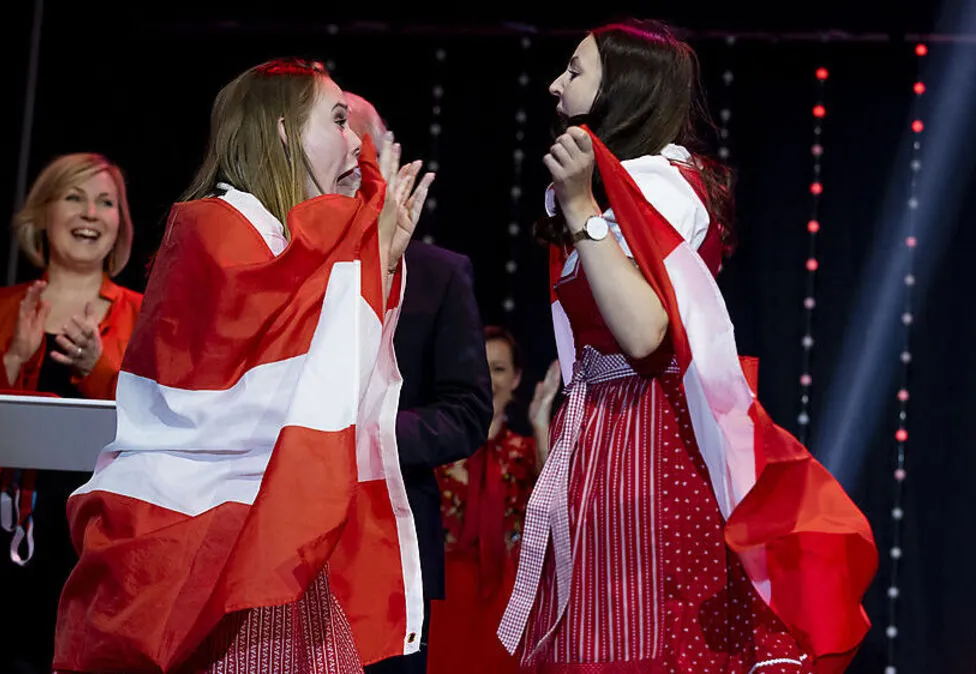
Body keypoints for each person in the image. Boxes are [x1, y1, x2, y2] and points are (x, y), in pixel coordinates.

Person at [498, 20, 877, 674]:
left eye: (576, 71)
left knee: (644, 639)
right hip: (601, 438)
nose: (556, 86)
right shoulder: (612, 189)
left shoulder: (662, 184)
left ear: (627, 89)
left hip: (649, 444)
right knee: (592, 638)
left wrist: (583, 205)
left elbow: (647, 335)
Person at [52, 58, 435, 674]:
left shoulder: (293, 239)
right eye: (338, 120)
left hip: (272, 538)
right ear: (283, 131)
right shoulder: (212, 224)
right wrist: (365, 240)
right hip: (202, 542)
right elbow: (270, 354)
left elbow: (325, 366)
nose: (355, 142)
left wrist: (379, 256)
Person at [0, 153, 142, 673]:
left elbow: (166, 424)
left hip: (97, 543)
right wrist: (13, 360)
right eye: (73, 198)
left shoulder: (146, 312)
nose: (90, 213)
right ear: (43, 215)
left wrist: (98, 368)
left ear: (120, 225)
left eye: (105, 202)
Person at [342, 92, 493, 674]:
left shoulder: (436, 274)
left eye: (363, 145)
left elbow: (467, 411)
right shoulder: (279, 262)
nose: (351, 157)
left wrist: (366, 431)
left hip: (390, 545)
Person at [428, 327, 559, 674]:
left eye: (499, 368)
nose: (488, 379)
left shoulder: (529, 452)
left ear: (516, 378)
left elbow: (560, 512)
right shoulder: (433, 449)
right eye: (479, 367)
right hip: (443, 606)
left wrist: (541, 426)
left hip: (510, 606)